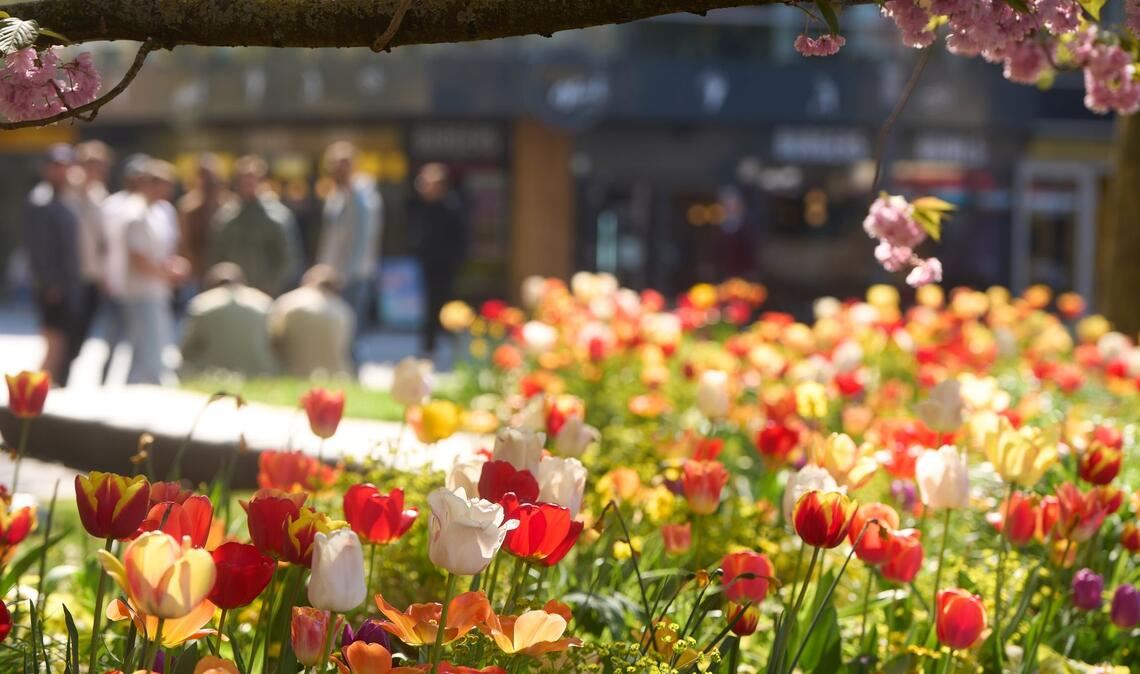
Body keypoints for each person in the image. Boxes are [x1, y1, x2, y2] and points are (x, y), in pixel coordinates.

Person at [121, 160, 189, 385]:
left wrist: (175, 267)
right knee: (148, 349)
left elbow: (169, 249)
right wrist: (167, 275)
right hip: (141, 290)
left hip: (160, 289)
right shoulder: (135, 213)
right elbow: (138, 258)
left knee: (149, 347)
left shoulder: (164, 211)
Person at [24, 144, 81, 385]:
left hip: (66, 284)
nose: (62, 172)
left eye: (66, 166)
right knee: (54, 342)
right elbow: (39, 248)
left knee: (61, 343)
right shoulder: (41, 201)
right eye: (57, 167)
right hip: (53, 286)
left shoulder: (63, 198)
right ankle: (30, 396)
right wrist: (50, 284)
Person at [208, 155, 300, 296]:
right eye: (242, 181)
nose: (247, 186)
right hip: (232, 295)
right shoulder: (225, 217)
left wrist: (269, 288)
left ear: (261, 181)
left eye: (251, 181)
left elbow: (289, 260)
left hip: (267, 295)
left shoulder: (277, 216)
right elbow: (217, 257)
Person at [316, 141, 382, 333]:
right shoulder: (335, 195)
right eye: (335, 164)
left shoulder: (365, 197)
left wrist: (343, 276)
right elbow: (329, 238)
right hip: (332, 274)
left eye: (344, 163)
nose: (339, 169)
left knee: (349, 330)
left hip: (354, 276)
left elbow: (363, 239)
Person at [99, 154, 150, 384]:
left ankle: (131, 386)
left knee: (140, 342)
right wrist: (105, 278)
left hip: (140, 287)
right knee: (110, 341)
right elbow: (104, 246)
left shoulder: (153, 207)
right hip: (114, 285)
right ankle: (102, 385)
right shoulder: (113, 205)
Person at [179, 262, 277, 377]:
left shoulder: (201, 304)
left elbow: (186, 351)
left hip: (215, 374)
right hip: (261, 373)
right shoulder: (264, 303)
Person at [410, 163, 468, 356]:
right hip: (428, 264)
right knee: (430, 305)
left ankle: (452, 345)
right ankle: (429, 346)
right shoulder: (422, 206)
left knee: (446, 305)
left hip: (446, 266)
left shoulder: (452, 207)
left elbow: (461, 240)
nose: (424, 187)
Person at [69, 141, 112, 367]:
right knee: (66, 331)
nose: (99, 169)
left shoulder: (100, 193)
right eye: (94, 164)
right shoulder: (68, 189)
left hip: (93, 274)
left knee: (81, 332)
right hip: (71, 273)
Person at [268, 264, 355, 378]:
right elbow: (344, 348)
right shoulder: (343, 310)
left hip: (291, 373)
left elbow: (273, 339)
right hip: (335, 377)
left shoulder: (288, 302)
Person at [178, 153, 232, 287]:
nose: (209, 181)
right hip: (198, 273)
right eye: (204, 176)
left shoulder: (230, 204)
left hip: (226, 271)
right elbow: (184, 244)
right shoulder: (188, 208)